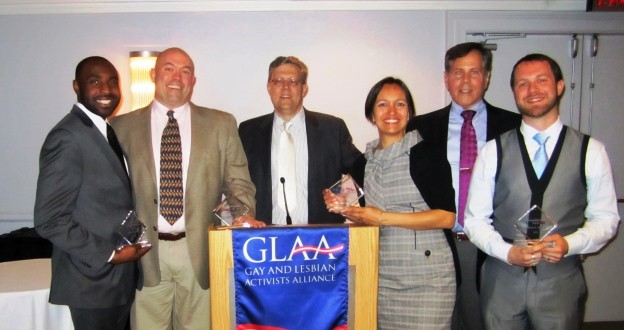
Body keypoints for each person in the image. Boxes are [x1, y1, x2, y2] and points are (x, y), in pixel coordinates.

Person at [464, 54, 620, 329]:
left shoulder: (590, 151)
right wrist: (507, 252)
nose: (532, 90)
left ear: (559, 86)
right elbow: (474, 220)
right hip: (502, 281)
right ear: (514, 92)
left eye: (541, 80)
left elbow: (606, 219)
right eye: (522, 84)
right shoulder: (492, 151)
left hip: (560, 282)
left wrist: (570, 244)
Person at [111, 47, 264, 329]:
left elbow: (238, 182)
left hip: (199, 252)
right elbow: (110, 192)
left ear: (193, 80)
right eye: (168, 68)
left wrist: (242, 215)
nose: (176, 77)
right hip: (144, 255)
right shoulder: (120, 127)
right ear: (153, 74)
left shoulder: (221, 123)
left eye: (185, 71)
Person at [325, 77, 457, 329]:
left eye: (400, 104)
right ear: (372, 115)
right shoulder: (363, 163)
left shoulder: (428, 154)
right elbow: (363, 216)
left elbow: (446, 217)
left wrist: (383, 217)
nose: (392, 112)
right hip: (382, 277)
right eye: (383, 105)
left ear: (409, 112)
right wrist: (342, 206)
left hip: (429, 280)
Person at [406, 41, 521, 330]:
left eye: (474, 72)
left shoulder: (513, 126)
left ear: (487, 78)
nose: (466, 81)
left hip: (493, 246)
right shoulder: (420, 127)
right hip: (438, 243)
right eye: (458, 73)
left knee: (487, 322)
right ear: (446, 78)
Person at [34, 56, 151, 330]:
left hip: (116, 281)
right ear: (77, 86)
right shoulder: (68, 136)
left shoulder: (106, 131)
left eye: (113, 82)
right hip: (92, 282)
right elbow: (49, 219)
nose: (107, 90)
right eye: (95, 81)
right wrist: (111, 254)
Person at [239, 56, 361, 225]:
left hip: (320, 237)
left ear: (304, 89)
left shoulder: (332, 129)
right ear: (269, 87)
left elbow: (364, 172)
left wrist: (344, 198)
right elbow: (235, 182)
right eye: (278, 81)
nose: (286, 87)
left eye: (293, 81)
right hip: (265, 237)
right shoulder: (248, 131)